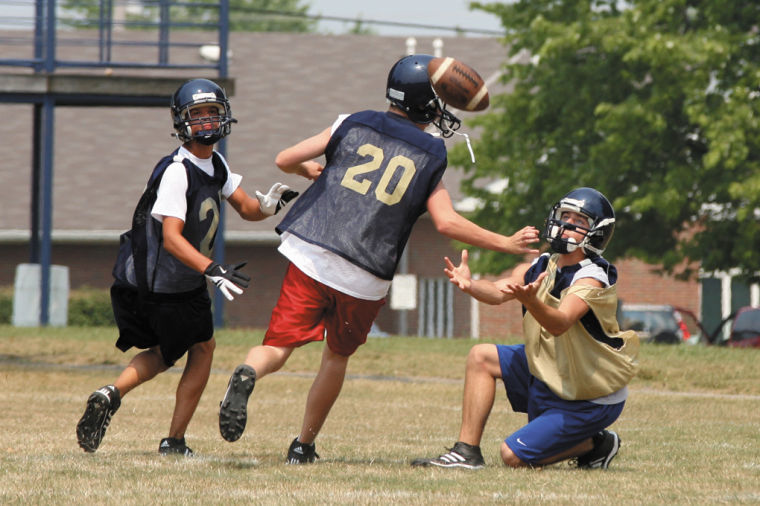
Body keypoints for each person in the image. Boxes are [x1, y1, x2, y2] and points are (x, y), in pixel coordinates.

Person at [217, 54, 540, 464]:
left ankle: (249, 372)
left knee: (278, 346)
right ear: (427, 103)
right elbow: (446, 222)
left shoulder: (351, 121)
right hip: (365, 272)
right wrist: (506, 244)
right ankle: (303, 445)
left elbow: (285, 159)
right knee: (336, 355)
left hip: (312, 251)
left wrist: (311, 171)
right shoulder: (432, 151)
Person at [75, 78, 297, 456]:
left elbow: (245, 208)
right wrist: (211, 268)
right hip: (171, 281)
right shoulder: (178, 170)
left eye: (213, 112)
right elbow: (172, 237)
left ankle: (110, 394)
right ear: (182, 122)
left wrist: (267, 207)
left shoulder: (215, 163)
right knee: (199, 349)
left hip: (177, 279)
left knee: (172, 350)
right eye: (199, 114)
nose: (208, 121)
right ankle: (173, 440)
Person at [411, 187, 639, 470]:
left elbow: (559, 323)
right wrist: (470, 286)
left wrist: (531, 302)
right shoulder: (544, 262)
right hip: (556, 368)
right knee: (481, 356)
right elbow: (498, 290)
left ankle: (596, 444)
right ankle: (466, 452)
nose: (566, 225)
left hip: (590, 391)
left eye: (578, 222)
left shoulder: (593, 275)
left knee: (513, 456)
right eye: (564, 216)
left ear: (597, 233)